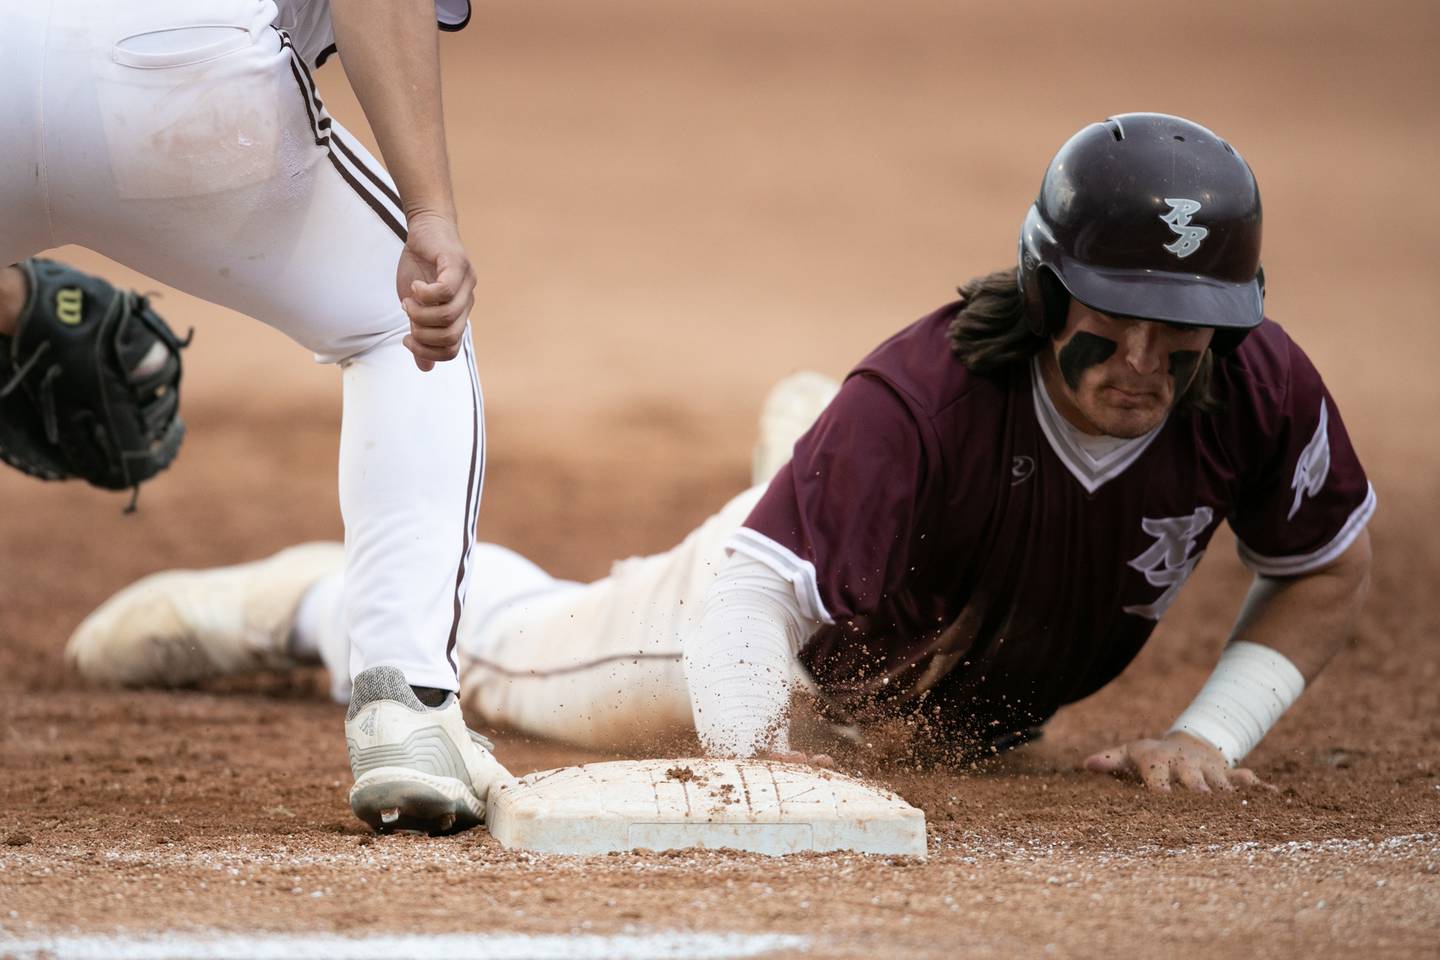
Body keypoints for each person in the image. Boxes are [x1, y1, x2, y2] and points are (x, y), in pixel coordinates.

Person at [68, 113, 1374, 805]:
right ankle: (324, 597)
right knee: (518, 657)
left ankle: (799, 462)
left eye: (1188, 332)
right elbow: (749, 604)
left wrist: (1211, 731)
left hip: (892, 615)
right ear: (1044, 292)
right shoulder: (927, 393)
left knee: (834, 495)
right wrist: (759, 755)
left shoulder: (1255, 393)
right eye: (1115, 322)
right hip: (745, 616)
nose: (1148, 361)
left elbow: (1326, 563)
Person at [1, 0, 508, 835]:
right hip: (169, 68)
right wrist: (431, 216)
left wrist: (15, 302)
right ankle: (407, 711)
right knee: (398, 316)